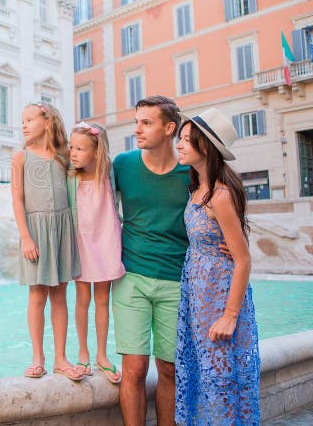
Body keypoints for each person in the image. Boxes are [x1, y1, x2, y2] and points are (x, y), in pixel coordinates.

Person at [174, 108, 260, 425]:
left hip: (218, 297)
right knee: (203, 375)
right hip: (197, 295)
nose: (179, 145)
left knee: (220, 378)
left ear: (205, 147)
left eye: (185, 140)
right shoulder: (197, 188)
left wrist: (229, 315)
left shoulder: (219, 196)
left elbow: (243, 259)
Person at [112, 95, 190, 426]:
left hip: (176, 278)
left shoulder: (191, 171)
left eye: (146, 123)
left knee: (169, 368)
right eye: (136, 122)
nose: (137, 129)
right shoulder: (123, 164)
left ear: (169, 128)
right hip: (131, 276)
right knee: (134, 368)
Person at [10, 101, 83, 381]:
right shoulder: (21, 158)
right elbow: (17, 200)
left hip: (62, 229)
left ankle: (61, 358)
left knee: (60, 296)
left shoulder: (63, 155)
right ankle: (38, 357)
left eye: (30, 119)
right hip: (36, 232)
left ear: (47, 121)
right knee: (37, 295)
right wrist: (25, 237)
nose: (24, 125)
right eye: (23, 121)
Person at [67, 121, 125, 384]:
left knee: (102, 299)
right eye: (71, 147)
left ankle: (102, 355)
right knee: (82, 299)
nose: (74, 153)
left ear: (96, 151)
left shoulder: (109, 172)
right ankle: (83, 352)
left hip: (106, 238)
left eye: (80, 148)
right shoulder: (70, 176)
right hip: (81, 241)